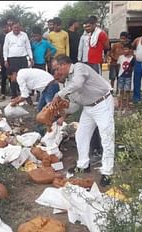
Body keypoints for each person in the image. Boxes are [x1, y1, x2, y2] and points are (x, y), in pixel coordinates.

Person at [51, 55, 115, 187]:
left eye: (57, 69)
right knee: (81, 135)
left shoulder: (79, 68)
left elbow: (78, 83)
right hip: (88, 107)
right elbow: (75, 104)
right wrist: (63, 112)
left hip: (102, 103)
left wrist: (59, 95)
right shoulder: (68, 83)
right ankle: (83, 165)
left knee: (107, 137)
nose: (57, 73)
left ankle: (107, 172)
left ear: (64, 65)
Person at [3, 21, 34, 99]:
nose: (16, 29)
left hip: (23, 58)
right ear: (11, 28)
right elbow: (5, 49)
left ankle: (25, 95)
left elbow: (28, 47)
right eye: (14, 28)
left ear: (20, 27)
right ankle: (14, 95)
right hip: (12, 59)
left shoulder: (24, 35)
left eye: (18, 27)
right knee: (14, 77)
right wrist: (5, 59)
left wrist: (31, 57)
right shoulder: (8, 36)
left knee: (24, 77)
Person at [0, 18, 11, 102]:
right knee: (4, 76)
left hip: (11, 58)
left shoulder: (12, 34)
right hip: (2, 58)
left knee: (12, 76)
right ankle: (3, 94)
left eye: (5, 27)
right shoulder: (0, 36)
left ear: (8, 26)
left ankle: (15, 93)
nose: (4, 29)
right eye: (2, 27)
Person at [116, 43, 135, 111]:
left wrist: (128, 72)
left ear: (130, 50)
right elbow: (118, 66)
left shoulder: (132, 58)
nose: (125, 51)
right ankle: (120, 105)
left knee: (127, 91)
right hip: (121, 76)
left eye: (126, 49)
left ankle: (126, 105)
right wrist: (120, 73)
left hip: (128, 77)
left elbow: (132, 67)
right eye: (124, 49)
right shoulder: (120, 57)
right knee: (121, 91)